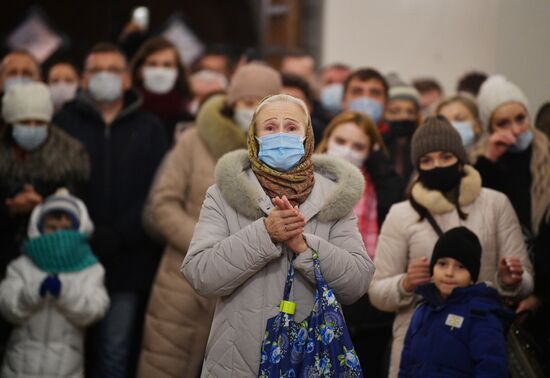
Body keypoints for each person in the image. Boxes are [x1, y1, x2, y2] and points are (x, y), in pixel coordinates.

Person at [181, 94, 374, 376]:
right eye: (270, 128)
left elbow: (357, 282)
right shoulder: (222, 194)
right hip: (236, 363)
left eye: (292, 128)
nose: (281, 135)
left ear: (307, 135)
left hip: (309, 362)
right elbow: (200, 273)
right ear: (254, 136)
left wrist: (306, 247)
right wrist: (265, 234)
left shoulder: (334, 197)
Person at [137, 62, 282, 378]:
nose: (252, 110)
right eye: (246, 102)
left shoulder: (282, 155)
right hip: (182, 282)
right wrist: (209, 247)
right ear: (232, 103)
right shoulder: (194, 141)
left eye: (261, 103)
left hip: (249, 288)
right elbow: (163, 203)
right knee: (167, 366)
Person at [369, 115, 533, 378]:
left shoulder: (495, 204)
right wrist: (406, 283)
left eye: (445, 157)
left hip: (479, 343)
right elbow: (377, 291)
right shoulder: (401, 214)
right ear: (417, 165)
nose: (437, 166)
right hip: (417, 348)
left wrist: (511, 281)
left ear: (460, 159)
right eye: (426, 160)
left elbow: (525, 280)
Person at [53, 42, 168, 378]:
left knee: (114, 354)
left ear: (128, 79)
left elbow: (156, 189)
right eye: (96, 70)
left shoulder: (150, 127)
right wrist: (85, 230)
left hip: (128, 261)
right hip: (72, 255)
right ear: (84, 79)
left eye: (113, 70)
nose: (105, 77)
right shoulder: (64, 123)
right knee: (65, 352)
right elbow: (59, 185)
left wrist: (119, 234)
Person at [316, 111, 403, 377]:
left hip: (365, 309)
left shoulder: (379, 185)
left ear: (371, 151)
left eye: (358, 146)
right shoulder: (305, 177)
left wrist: (380, 165)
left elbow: (393, 212)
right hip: (314, 295)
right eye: (340, 141)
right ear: (327, 139)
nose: (347, 151)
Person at [474, 75, 550, 363]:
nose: (515, 130)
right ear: (488, 128)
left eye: (520, 118)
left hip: (542, 294)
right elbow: (473, 206)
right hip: (495, 288)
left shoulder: (545, 160)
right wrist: (489, 159)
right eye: (503, 124)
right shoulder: (480, 162)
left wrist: (539, 296)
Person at [0, 189, 109, 378]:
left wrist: (64, 293)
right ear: (39, 228)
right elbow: (7, 308)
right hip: (19, 368)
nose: (59, 235)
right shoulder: (22, 265)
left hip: (66, 370)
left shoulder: (90, 269)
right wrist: (33, 293)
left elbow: (94, 310)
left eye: (66, 229)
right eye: (52, 228)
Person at [0, 82, 90, 275]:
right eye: (24, 122)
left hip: (53, 261)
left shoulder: (70, 157)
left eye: (39, 123)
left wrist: (46, 206)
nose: (32, 129)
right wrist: (9, 209)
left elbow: (78, 210)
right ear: (9, 123)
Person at [399, 227, 513, 377]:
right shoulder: (422, 310)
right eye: (442, 263)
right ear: (433, 268)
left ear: (472, 276)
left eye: (461, 266)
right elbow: (407, 365)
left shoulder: (481, 315)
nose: (449, 273)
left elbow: (492, 368)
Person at [130, 37, 194, 141]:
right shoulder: (127, 113)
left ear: (177, 72)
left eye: (167, 65)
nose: (159, 71)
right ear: (140, 71)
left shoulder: (188, 121)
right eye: (152, 64)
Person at [383, 79, 422, 182]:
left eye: (410, 112)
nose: (404, 116)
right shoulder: (376, 149)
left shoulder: (421, 149)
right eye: (395, 111)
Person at [281, 73, 328, 146]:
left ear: (309, 107)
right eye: (281, 101)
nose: (288, 109)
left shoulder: (324, 137)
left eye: (296, 102)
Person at [341, 67, 390, 135]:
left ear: (386, 104)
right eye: (357, 92)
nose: (366, 98)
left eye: (374, 93)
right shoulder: (328, 139)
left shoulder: (397, 142)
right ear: (343, 102)